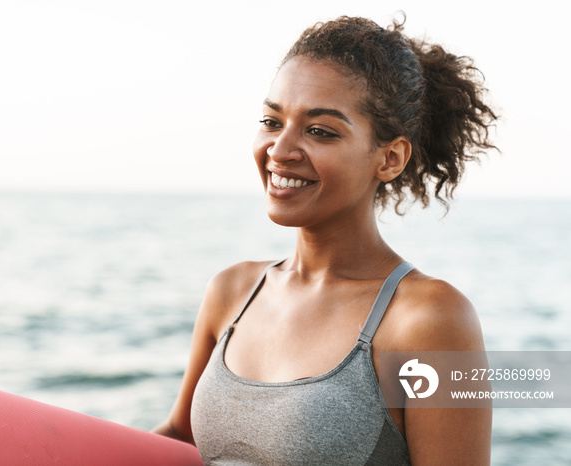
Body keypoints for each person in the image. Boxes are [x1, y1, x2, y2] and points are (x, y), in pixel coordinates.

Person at [153, 15, 497, 465]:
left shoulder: (430, 320)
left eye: (319, 131)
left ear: (390, 158)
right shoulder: (232, 292)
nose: (280, 150)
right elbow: (179, 440)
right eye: (271, 121)